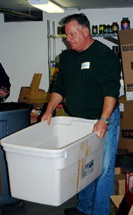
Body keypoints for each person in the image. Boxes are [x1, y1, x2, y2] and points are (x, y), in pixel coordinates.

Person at [41, 13, 121, 215]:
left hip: (103, 121)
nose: (68, 39)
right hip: (78, 123)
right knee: (85, 167)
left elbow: (111, 89)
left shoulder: (104, 55)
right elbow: (59, 87)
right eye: (66, 35)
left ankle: (100, 211)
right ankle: (84, 208)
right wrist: (48, 111)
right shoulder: (66, 58)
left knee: (103, 169)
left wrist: (103, 119)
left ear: (86, 31)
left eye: (71, 34)